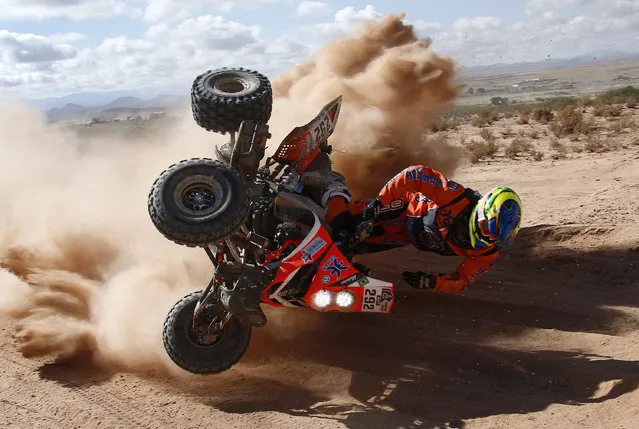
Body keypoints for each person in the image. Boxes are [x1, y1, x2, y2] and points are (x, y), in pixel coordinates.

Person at [324, 164, 523, 293]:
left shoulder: (486, 252)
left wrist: (432, 282)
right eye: (486, 228)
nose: (487, 236)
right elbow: (415, 174)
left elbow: (462, 280)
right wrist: (378, 204)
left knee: (350, 247)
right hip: (402, 208)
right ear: (482, 212)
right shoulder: (457, 197)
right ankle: (332, 185)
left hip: (403, 236)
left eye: (494, 236)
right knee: (343, 223)